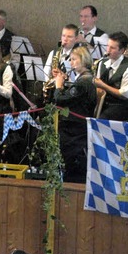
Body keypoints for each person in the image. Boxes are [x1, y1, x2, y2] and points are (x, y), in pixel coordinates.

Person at [52, 46, 97, 182]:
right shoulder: (84, 79)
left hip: (75, 127)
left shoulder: (84, 81)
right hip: (77, 123)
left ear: (83, 60)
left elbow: (60, 99)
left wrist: (59, 86)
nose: (71, 63)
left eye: (74, 59)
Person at [93, 31, 128, 121]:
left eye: (112, 48)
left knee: (103, 119)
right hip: (105, 103)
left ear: (122, 50)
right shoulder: (102, 63)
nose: (108, 50)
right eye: (107, 46)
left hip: (122, 107)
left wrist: (103, 86)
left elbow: (125, 95)